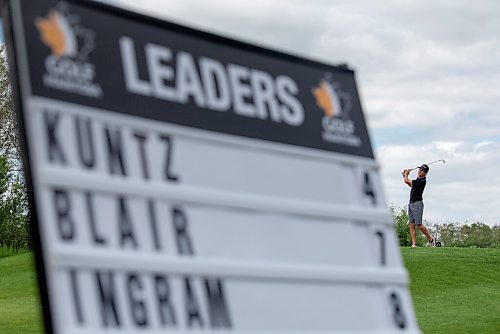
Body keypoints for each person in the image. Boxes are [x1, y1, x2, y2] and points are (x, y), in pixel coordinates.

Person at [402, 164, 435, 247]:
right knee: (411, 224)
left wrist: (406, 174)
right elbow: (409, 184)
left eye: (422, 170)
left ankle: (431, 239)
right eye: (420, 169)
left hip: (417, 204)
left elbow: (407, 181)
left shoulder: (422, 181)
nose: (420, 171)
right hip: (411, 203)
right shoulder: (417, 180)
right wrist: (405, 175)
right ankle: (414, 244)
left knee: (419, 225)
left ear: (425, 173)